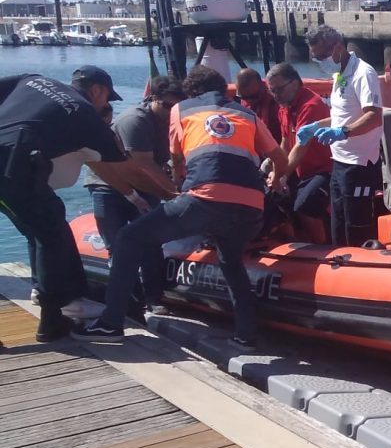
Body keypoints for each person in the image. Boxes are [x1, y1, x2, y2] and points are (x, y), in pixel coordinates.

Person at [73, 66, 287, 349]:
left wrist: (176, 189)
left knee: (129, 238)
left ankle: (111, 323)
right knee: (231, 263)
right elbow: (278, 156)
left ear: (191, 92)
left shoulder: (182, 110)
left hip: (205, 199)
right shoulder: (247, 114)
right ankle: (245, 335)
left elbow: (178, 158)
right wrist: (275, 180)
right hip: (250, 206)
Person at [0, 67, 163, 342]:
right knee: (51, 233)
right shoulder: (85, 113)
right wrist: (172, 198)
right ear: (97, 90)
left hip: (9, 161)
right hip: (13, 167)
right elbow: (127, 171)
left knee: (43, 226)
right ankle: (53, 317)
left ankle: (53, 295)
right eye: (106, 98)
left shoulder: (33, 79)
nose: (106, 105)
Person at [84, 76, 185, 321]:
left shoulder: (173, 122)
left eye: (177, 107)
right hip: (108, 185)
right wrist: (175, 195)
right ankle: (127, 301)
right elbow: (144, 165)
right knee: (116, 246)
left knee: (151, 242)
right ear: (154, 99)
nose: (172, 111)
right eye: (167, 106)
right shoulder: (135, 120)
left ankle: (153, 298)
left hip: (145, 186)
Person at [297, 26, 384, 247]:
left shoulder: (363, 73)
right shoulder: (339, 75)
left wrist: (342, 132)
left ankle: (365, 269)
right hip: (339, 162)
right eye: (315, 57)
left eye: (322, 56)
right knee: (338, 224)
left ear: (337, 48)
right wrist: (316, 126)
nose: (319, 62)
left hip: (359, 165)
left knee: (357, 227)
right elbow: (341, 116)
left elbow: (374, 116)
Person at [266, 62, 332, 243]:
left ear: (294, 83)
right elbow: (285, 142)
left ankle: (321, 248)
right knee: (272, 199)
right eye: (272, 91)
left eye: (279, 90)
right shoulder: (284, 107)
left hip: (325, 168)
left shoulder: (310, 106)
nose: (276, 95)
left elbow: (302, 145)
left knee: (305, 205)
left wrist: (281, 174)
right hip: (302, 170)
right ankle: (292, 240)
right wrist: (275, 169)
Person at [235, 67, 282, 141]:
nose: (249, 101)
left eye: (252, 97)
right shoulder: (244, 99)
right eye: (244, 98)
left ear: (261, 86)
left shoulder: (277, 100)